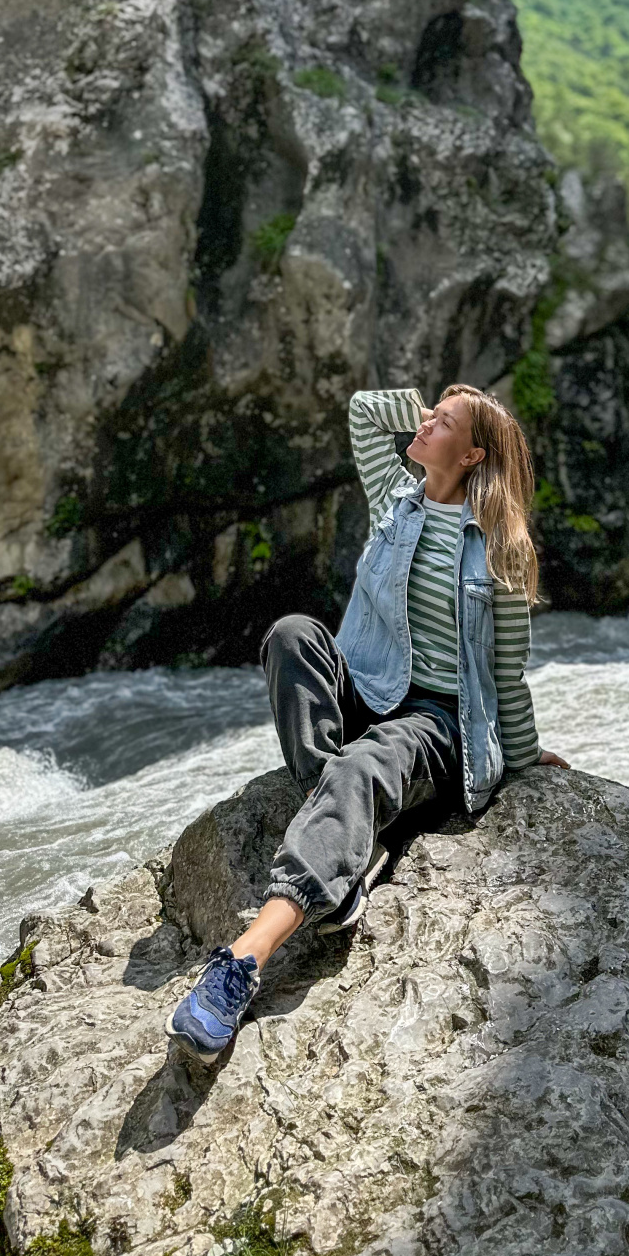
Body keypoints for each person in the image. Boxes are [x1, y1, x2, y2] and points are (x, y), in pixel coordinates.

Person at [163, 384, 570, 1062]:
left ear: (473, 456)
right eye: (429, 415)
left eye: (446, 425)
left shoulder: (502, 548)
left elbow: (505, 675)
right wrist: (434, 413)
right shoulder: (394, 493)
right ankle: (349, 846)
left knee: (365, 764)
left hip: (435, 722)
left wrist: (523, 757)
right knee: (293, 635)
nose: (427, 425)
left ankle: (239, 963)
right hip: (367, 686)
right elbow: (361, 410)